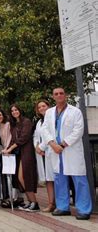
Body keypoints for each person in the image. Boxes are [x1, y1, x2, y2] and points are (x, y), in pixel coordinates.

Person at [43, 88, 92, 220]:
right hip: (55, 151)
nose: (59, 95)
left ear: (66, 95)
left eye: (61, 93)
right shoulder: (49, 112)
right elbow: (45, 129)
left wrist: (63, 144)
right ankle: (63, 207)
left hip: (70, 150)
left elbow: (78, 130)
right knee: (59, 179)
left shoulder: (75, 111)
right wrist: (52, 144)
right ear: (53, 97)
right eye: (56, 94)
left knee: (79, 179)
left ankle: (84, 209)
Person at [3, 104, 39, 212]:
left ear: (20, 110)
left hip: (26, 152)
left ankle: (34, 203)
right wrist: (7, 149)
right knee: (20, 178)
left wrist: (10, 149)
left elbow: (24, 137)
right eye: (12, 110)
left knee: (25, 177)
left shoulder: (26, 122)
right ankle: (30, 201)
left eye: (16, 110)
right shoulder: (14, 125)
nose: (14, 112)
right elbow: (14, 140)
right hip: (18, 154)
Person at [33, 100, 55, 212]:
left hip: (51, 151)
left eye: (44, 106)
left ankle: (58, 203)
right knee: (48, 179)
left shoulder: (53, 118)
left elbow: (50, 135)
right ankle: (51, 203)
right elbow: (36, 136)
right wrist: (37, 146)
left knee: (55, 178)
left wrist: (41, 147)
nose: (42, 108)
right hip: (42, 154)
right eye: (39, 107)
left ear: (48, 106)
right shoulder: (39, 122)